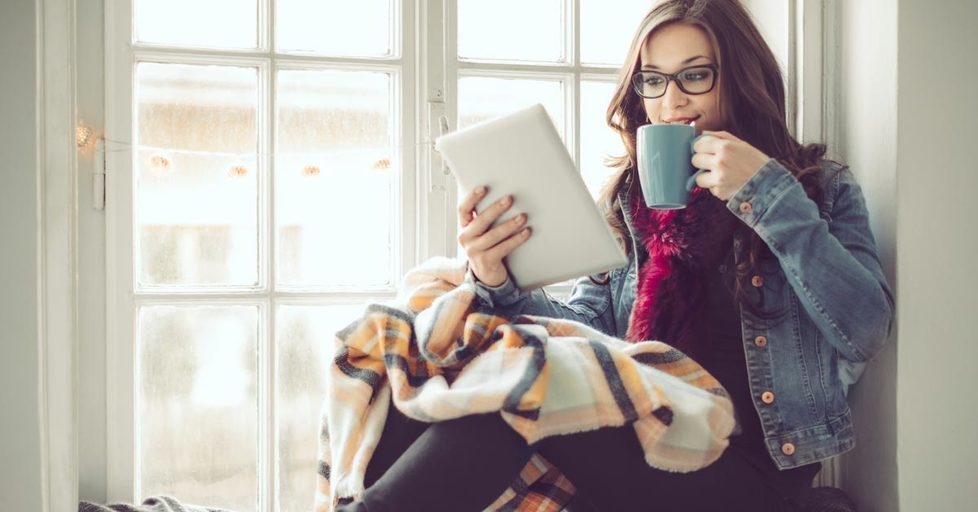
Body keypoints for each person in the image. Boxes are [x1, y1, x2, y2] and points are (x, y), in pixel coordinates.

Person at [336, 0, 894, 510]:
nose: (670, 102)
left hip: (750, 474)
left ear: (742, 80)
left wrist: (767, 196)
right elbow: (590, 336)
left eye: (694, 76)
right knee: (422, 373)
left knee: (516, 396)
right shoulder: (631, 202)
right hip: (645, 443)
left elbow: (865, 327)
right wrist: (497, 277)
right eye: (653, 80)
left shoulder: (816, 188)